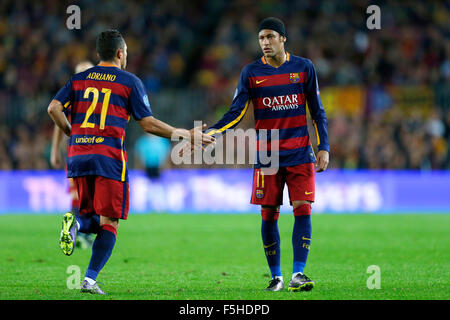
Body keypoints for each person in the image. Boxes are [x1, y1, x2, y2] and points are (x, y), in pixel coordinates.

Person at [47, 29, 214, 294]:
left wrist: (71, 132)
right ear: (120, 53)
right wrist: (185, 134)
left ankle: (76, 224)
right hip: (109, 159)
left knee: (89, 213)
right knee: (110, 221)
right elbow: (148, 124)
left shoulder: (78, 80)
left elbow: (53, 108)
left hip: (79, 155)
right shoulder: (129, 81)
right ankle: (89, 279)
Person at [205, 17, 329, 292]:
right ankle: (276, 276)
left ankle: (298, 274)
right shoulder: (250, 73)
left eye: (270, 37)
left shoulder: (304, 68)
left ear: (283, 38)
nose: (265, 42)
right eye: (261, 38)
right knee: (269, 213)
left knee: (302, 209)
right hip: (267, 157)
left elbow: (317, 111)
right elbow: (236, 112)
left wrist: (324, 147)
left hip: (300, 153)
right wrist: (214, 132)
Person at [50, 61, 95, 250]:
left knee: (86, 195)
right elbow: (57, 120)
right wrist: (55, 150)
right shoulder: (76, 93)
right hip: (86, 152)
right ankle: (80, 233)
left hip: (80, 151)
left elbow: (56, 115)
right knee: (82, 195)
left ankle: (78, 231)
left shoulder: (80, 94)